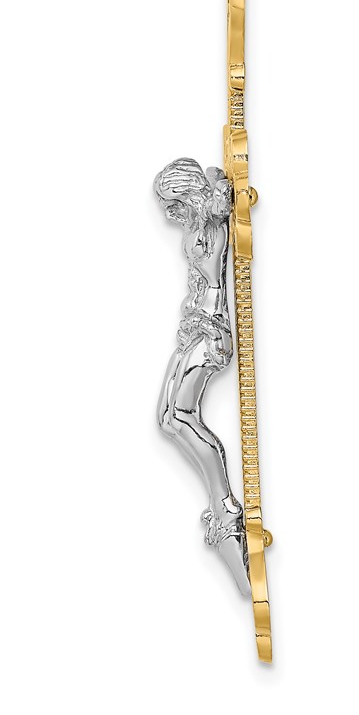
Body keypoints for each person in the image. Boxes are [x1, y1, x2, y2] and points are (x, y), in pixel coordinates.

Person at [154, 157, 249, 595]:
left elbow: (222, 193)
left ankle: (226, 510)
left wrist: (227, 186)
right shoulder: (197, 221)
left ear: (188, 193)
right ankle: (222, 507)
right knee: (167, 418)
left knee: (181, 415)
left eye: (172, 202)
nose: (168, 212)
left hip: (211, 330)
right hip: (195, 326)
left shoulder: (209, 221)